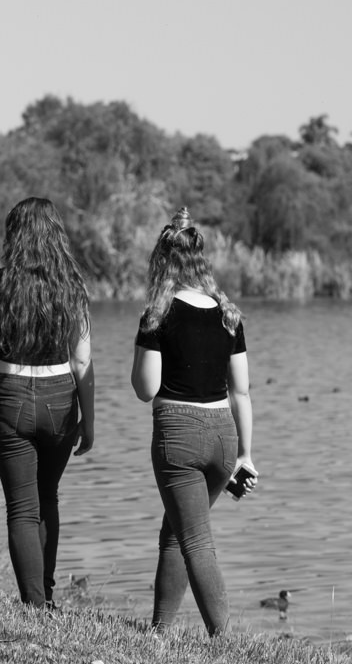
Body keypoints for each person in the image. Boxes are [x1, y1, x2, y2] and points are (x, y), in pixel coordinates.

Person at [131, 207, 256, 636]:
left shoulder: (157, 314)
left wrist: (143, 345)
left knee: (196, 541)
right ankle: (159, 631)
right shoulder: (228, 314)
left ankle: (225, 644)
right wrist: (246, 456)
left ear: (162, 261)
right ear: (201, 259)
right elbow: (241, 391)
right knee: (177, 531)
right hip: (223, 437)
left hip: (179, 438)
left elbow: (146, 388)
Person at [0, 196, 94, 609]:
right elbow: (82, 361)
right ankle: (48, 596)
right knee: (48, 498)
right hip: (61, 398)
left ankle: (34, 604)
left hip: (9, 397)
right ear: (56, 236)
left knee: (21, 508)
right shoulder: (72, 287)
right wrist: (89, 422)